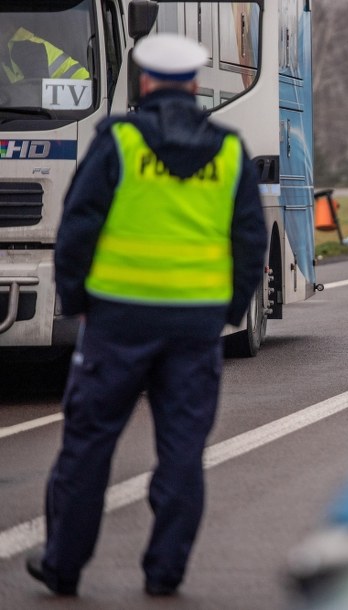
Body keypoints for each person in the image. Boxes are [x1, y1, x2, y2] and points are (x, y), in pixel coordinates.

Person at [25, 33, 267, 597]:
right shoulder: (230, 150)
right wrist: (230, 311)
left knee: (89, 441)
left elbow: (78, 225)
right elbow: (250, 240)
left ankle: (63, 565)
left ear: (147, 81)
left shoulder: (120, 142)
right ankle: (166, 571)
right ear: (195, 84)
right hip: (196, 325)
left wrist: (77, 302)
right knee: (182, 448)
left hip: (117, 321)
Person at [0, 21, 89, 83]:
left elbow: (37, 89)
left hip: (81, 88)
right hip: (67, 95)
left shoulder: (26, 46)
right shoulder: (6, 57)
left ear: (7, 31)